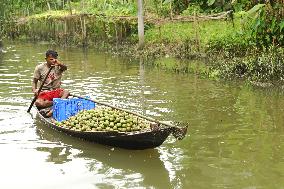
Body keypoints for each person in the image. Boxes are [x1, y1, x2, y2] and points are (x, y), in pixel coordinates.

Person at [32, 50, 69, 116]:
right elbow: (34, 82)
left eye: (55, 59)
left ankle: (53, 109)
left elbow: (65, 68)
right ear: (46, 59)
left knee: (66, 92)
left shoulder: (58, 66)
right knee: (38, 103)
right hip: (44, 92)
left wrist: (59, 64)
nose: (53, 61)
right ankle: (58, 102)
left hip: (55, 91)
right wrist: (35, 91)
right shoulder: (39, 68)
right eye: (51, 59)